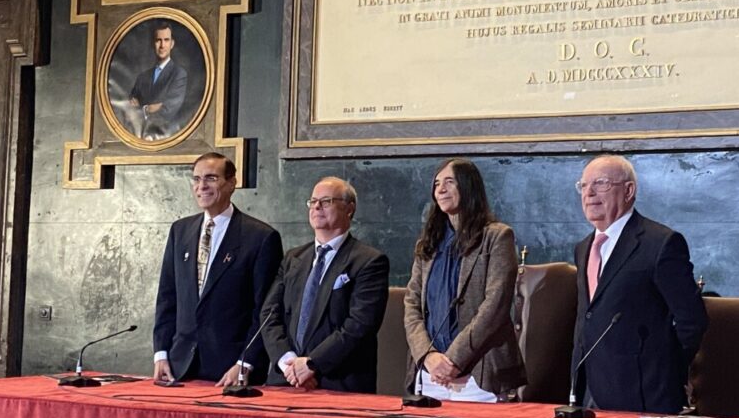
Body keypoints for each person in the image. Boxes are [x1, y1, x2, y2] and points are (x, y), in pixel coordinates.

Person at [572, 154, 708, 414]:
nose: (589, 193)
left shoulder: (660, 243)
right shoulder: (583, 248)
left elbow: (693, 320)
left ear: (629, 190)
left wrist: (665, 371)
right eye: (583, 185)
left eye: (600, 183)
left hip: (642, 393)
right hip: (587, 391)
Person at [152, 152, 283, 385]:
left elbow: (265, 310)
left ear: (232, 183)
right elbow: (167, 297)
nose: (202, 186)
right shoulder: (179, 231)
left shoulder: (261, 237)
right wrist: (161, 353)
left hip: (232, 372)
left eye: (211, 178)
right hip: (179, 368)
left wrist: (245, 362)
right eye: (196, 179)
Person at [404, 158, 527, 402]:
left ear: (468, 187)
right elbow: (412, 304)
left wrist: (454, 359)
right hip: (429, 374)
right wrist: (428, 356)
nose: (440, 189)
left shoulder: (496, 236)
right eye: (437, 183)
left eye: (449, 182)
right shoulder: (428, 243)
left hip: (479, 376)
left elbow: (495, 305)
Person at [261, 177, 389, 392]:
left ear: (349, 209)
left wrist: (312, 365)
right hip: (286, 380)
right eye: (313, 201)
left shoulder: (369, 261)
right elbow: (269, 314)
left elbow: (359, 325)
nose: (317, 206)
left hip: (338, 382)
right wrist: (289, 364)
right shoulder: (293, 258)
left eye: (326, 201)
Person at [129, 20, 188, 140]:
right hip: (138, 140)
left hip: (166, 139)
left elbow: (168, 111)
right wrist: (150, 108)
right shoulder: (142, 77)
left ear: (172, 44)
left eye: (166, 40)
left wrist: (142, 109)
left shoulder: (179, 74)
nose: (162, 45)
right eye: (158, 40)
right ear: (153, 44)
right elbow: (130, 107)